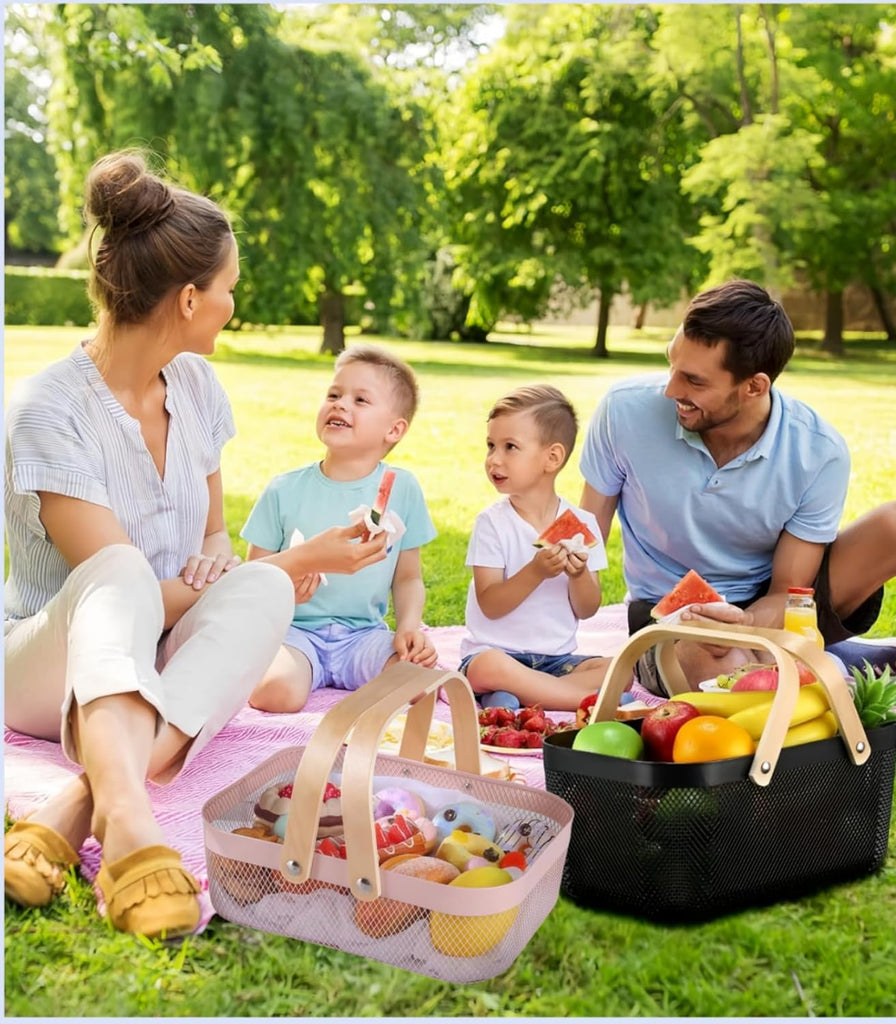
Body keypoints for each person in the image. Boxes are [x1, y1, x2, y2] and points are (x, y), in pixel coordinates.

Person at [3, 150, 387, 938]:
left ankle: (87, 799)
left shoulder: (199, 389)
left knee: (267, 589)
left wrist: (230, 564)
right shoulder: (47, 410)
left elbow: (211, 535)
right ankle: (136, 831)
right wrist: (305, 558)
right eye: (227, 289)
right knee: (128, 570)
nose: (233, 303)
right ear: (186, 299)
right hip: (52, 669)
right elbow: (126, 591)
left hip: (164, 650)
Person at [579, 279, 896, 710]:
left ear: (755, 386)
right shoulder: (623, 412)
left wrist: (747, 623)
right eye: (672, 364)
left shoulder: (816, 451)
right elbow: (583, 545)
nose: (671, 389)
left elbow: (789, 594)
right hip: (668, 618)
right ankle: (829, 659)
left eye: (694, 381)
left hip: (776, 606)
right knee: (728, 677)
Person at [242, 345, 438, 713]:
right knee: (276, 693)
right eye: (334, 394)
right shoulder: (283, 490)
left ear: (394, 429)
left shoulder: (404, 489)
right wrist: (289, 583)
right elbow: (252, 576)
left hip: (364, 637)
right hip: (294, 634)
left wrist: (409, 628)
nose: (340, 404)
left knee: (417, 685)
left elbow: (408, 578)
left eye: (360, 400)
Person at [459, 385, 612, 712]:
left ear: (552, 458)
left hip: (557, 661)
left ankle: (519, 698)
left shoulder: (580, 522)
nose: (493, 459)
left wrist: (580, 574)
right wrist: (535, 571)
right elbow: (490, 605)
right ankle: (587, 703)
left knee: (617, 670)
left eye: (510, 447)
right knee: (489, 668)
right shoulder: (492, 523)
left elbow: (587, 609)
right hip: (496, 655)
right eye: (490, 446)